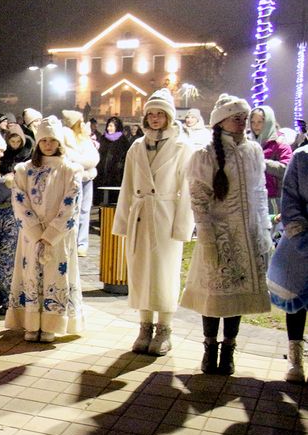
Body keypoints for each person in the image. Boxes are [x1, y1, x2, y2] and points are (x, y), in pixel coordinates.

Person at [181, 93, 272, 375]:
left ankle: (229, 347)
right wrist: (207, 237)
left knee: (238, 294)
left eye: (244, 118)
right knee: (215, 293)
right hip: (219, 235)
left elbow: (259, 192)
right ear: (221, 122)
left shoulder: (253, 151)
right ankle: (210, 347)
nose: (243, 123)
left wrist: (263, 229)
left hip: (247, 233)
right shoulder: (204, 156)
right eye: (237, 118)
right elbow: (198, 199)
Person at [112, 89, 194, 356]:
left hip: (166, 215)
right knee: (140, 273)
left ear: (169, 116)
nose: (156, 118)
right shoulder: (137, 146)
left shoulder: (183, 146)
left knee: (164, 273)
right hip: (140, 214)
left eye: (160, 114)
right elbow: (127, 186)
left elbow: (188, 187)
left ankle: (165, 328)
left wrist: (183, 226)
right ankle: (144, 326)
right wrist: (122, 221)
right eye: (151, 114)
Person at [5, 116, 84, 342]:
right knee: (31, 275)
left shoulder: (70, 170)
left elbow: (71, 204)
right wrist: (34, 232)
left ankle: (51, 322)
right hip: (31, 235)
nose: (48, 145)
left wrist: (51, 234)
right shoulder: (23, 170)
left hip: (58, 236)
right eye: (44, 140)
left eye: (52, 140)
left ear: (59, 142)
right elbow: (19, 200)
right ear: (37, 143)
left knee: (55, 275)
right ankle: (31, 322)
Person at [267, 145, 308, 382]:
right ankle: (296, 359)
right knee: (296, 299)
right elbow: (289, 197)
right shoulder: (301, 156)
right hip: (300, 239)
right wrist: (299, 231)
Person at [0, 125, 30, 314]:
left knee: (5, 278)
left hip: (3, 256)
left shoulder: (10, 214)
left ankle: (8, 303)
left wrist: (0, 251)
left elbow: (10, 236)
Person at [61, 110, 99, 256]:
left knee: (85, 210)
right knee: (73, 210)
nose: (83, 124)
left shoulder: (85, 138)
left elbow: (94, 158)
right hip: (74, 178)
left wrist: (85, 163)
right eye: (81, 121)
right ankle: (71, 240)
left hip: (87, 178)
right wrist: (85, 162)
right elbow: (71, 158)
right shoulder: (65, 137)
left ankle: (82, 243)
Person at [249, 105, 292, 214]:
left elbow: (286, 169)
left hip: (273, 198)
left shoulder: (279, 143)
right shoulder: (249, 143)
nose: (256, 126)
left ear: (268, 122)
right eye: (253, 122)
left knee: (272, 230)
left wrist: (262, 162)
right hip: (252, 198)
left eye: (260, 122)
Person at [93, 116, 131, 204]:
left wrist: (119, 167)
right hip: (101, 175)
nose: (108, 128)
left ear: (117, 127)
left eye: (111, 126)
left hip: (116, 176)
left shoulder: (123, 141)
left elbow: (126, 158)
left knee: (113, 201)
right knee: (101, 201)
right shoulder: (103, 139)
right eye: (108, 126)